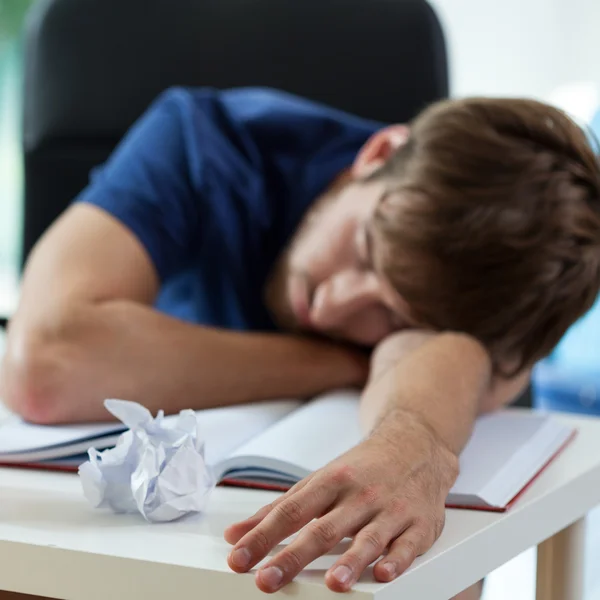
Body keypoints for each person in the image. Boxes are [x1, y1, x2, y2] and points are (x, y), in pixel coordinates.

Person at [2, 87, 600, 600]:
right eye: (366, 249)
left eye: (392, 320)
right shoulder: (200, 139)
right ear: (379, 155)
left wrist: (413, 441)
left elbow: (464, 361)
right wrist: (348, 362)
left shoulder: (484, 285)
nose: (336, 302)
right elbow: (45, 366)